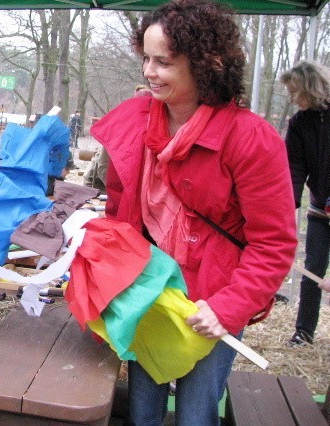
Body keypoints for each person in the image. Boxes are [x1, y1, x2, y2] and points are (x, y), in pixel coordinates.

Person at [90, 1, 297, 424]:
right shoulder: (135, 120)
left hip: (213, 303)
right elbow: (119, 208)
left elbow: (273, 244)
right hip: (151, 294)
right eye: (145, 58)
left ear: (207, 64)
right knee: (142, 407)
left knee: (195, 414)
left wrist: (228, 308)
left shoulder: (252, 138)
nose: (149, 72)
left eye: (163, 62)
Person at [280, 61, 330, 346]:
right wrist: (285, 208)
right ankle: (304, 331)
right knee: (313, 269)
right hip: (320, 211)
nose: (291, 97)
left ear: (311, 88)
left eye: (294, 91)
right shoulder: (298, 123)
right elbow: (295, 170)